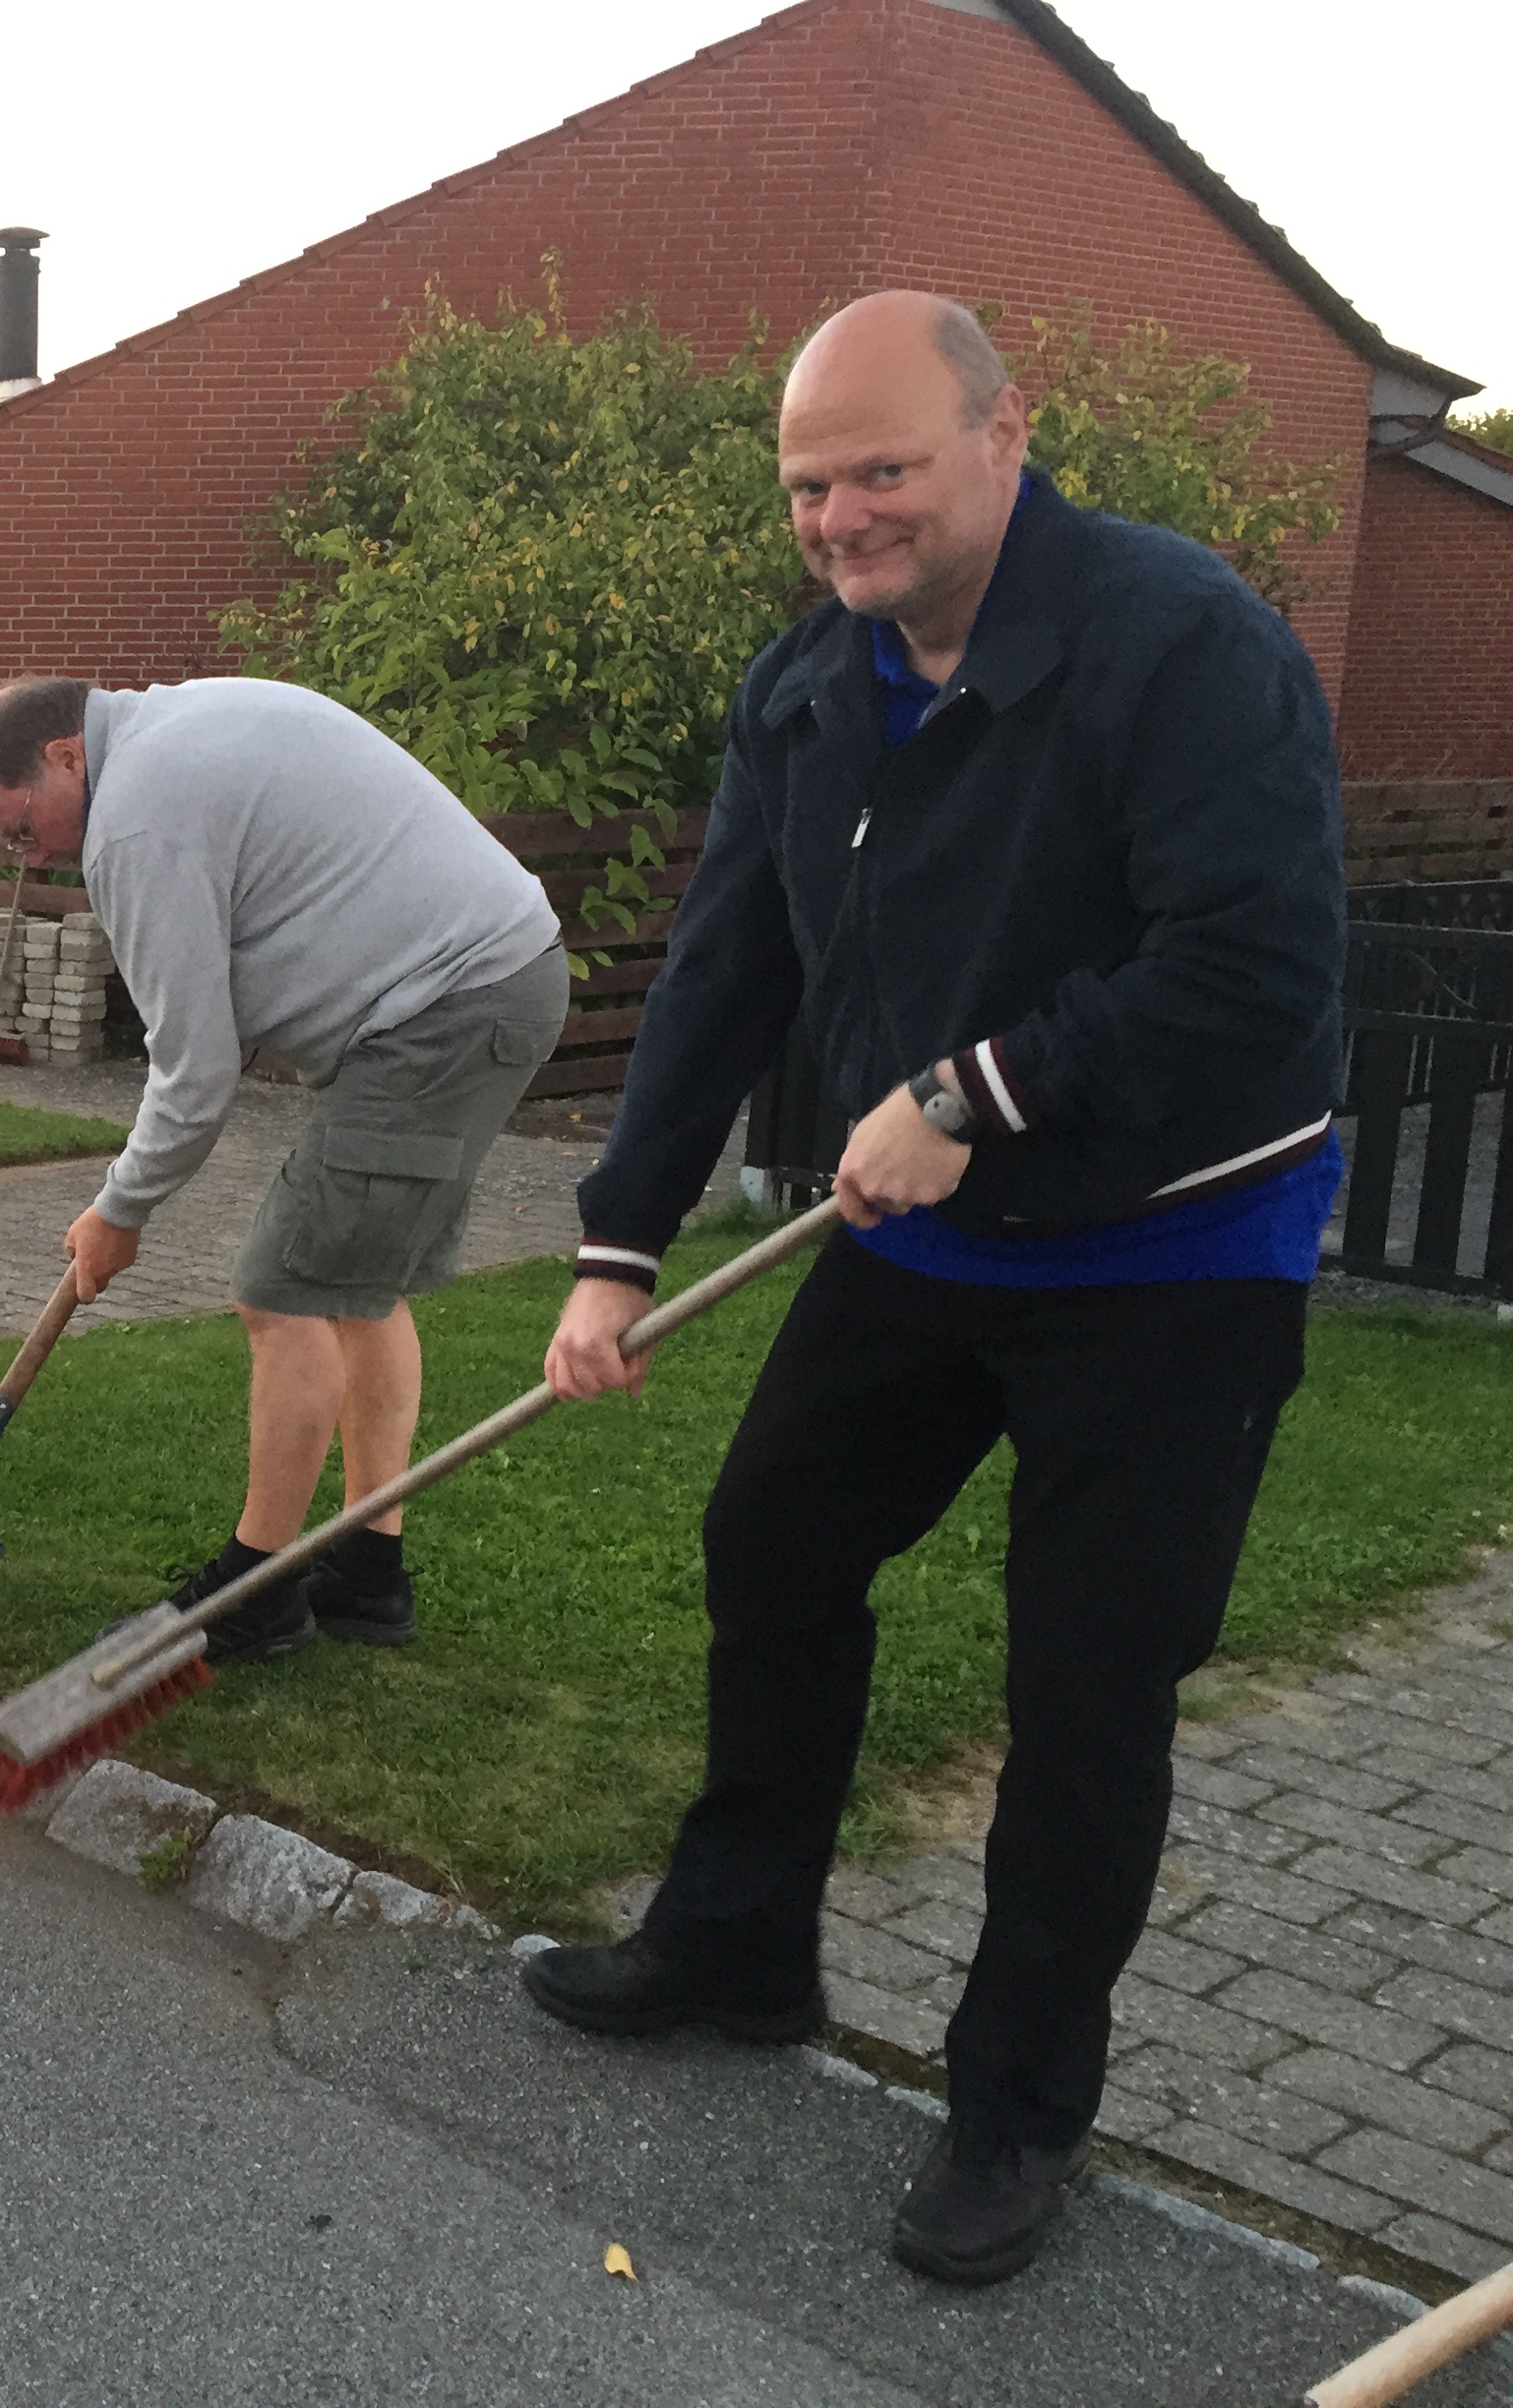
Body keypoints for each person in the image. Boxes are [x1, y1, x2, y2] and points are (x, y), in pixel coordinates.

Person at [520, 292, 1345, 2287]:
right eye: (810, 484)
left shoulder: (1180, 643)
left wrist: (979, 1089)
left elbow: (1253, 962)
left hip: (1175, 1249)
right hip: (928, 1243)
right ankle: (738, 1945)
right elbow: (726, 964)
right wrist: (617, 1246)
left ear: (1002, 434)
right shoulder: (810, 683)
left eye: (880, 467)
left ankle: (1015, 2109)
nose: (841, 518)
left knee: (1085, 1687)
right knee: (773, 1544)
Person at [0, 675, 569, 1652]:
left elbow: (196, 1074)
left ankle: (255, 1593)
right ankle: (366, 1574)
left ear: (67, 755)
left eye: (19, 828)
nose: (28, 855)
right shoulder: (170, 731)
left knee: (282, 1293)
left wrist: (119, 1212)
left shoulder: (137, 819)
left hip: (448, 1004)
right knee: (359, 1290)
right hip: (487, 983)